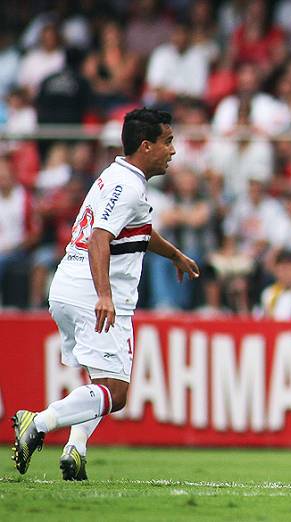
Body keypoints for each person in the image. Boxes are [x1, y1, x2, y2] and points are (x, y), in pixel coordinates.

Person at [11, 108, 200, 481]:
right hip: (90, 291)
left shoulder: (120, 178)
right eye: (168, 142)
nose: (173, 151)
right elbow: (101, 237)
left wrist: (175, 255)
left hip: (68, 286)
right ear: (146, 146)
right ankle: (39, 422)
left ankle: (75, 451)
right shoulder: (127, 187)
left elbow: (139, 232)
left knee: (103, 381)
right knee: (117, 391)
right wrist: (105, 295)